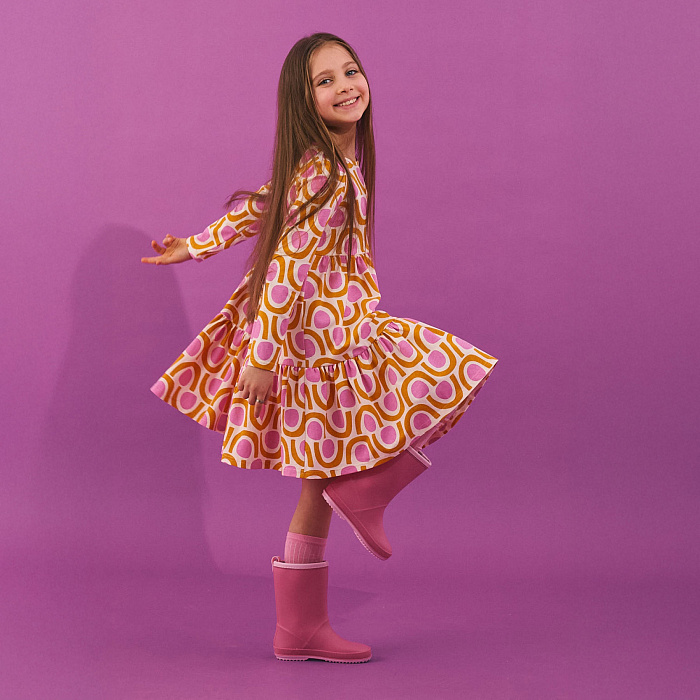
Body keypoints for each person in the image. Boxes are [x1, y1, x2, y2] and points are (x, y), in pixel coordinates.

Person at [141, 32, 498, 664]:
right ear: (303, 102)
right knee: (443, 371)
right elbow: (285, 264)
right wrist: (262, 355)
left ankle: (300, 627)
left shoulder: (325, 163)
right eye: (324, 82)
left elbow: (264, 206)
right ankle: (364, 495)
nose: (345, 87)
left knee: (318, 480)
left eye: (350, 71)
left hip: (334, 327)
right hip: (322, 340)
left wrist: (195, 245)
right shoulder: (326, 174)